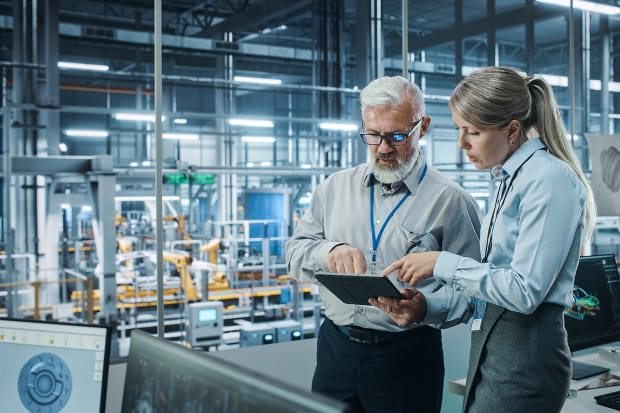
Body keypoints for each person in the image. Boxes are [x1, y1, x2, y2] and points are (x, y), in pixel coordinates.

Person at [370, 66, 596, 413]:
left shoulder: (548, 179)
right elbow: (494, 286)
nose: (462, 144)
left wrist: (442, 263)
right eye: (460, 130)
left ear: (513, 130)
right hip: (494, 348)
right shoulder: (511, 179)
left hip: (525, 355)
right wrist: (426, 308)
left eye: (473, 132)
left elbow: (524, 291)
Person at [286, 75, 482, 413]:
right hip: (336, 349)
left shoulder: (452, 202)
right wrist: (328, 251)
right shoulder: (332, 189)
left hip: (407, 357)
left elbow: (475, 290)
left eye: (396, 135)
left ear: (423, 127)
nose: (384, 147)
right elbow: (294, 252)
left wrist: (425, 307)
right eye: (373, 135)